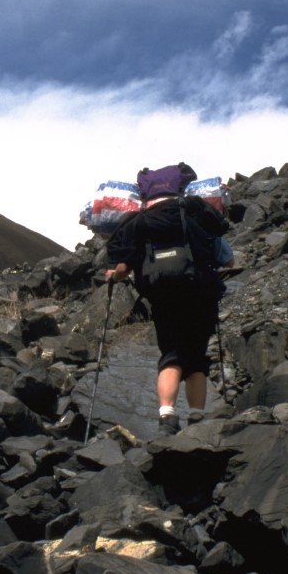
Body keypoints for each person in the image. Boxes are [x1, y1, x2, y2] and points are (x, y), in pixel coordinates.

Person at [105, 164, 232, 437]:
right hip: (199, 293)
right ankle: (197, 417)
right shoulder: (196, 212)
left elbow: (124, 267)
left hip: (163, 297)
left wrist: (114, 276)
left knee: (171, 354)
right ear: (179, 188)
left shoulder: (139, 222)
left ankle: (167, 418)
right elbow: (226, 258)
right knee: (196, 357)